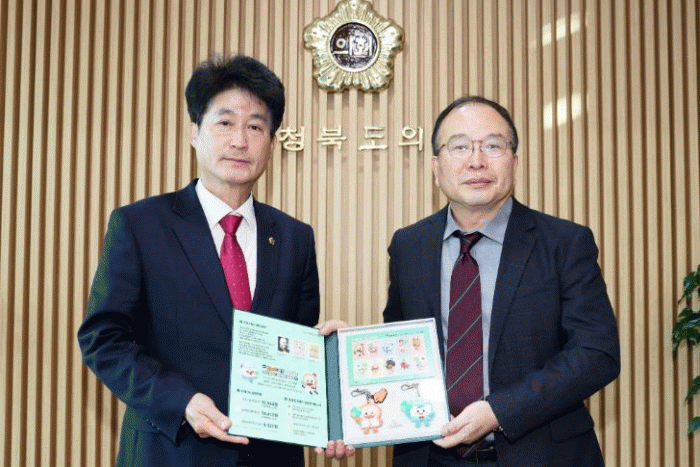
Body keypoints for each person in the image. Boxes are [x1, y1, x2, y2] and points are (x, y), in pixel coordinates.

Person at [320, 96, 620, 466]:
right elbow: (403, 345)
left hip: (541, 455)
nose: (476, 161)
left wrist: (498, 410)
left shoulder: (564, 242)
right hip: (431, 457)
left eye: (493, 146)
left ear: (514, 162)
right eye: (459, 146)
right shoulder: (409, 245)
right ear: (436, 167)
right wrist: (349, 355)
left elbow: (597, 354)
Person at [78, 55, 320, 467]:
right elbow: (104, 338)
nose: (239, 140)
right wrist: (182, 401)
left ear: (272, 143)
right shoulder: (140, 225)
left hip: (271, 456)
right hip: (169, 452)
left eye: (255, 127)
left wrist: (326, 355)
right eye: (225, 123)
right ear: (195, 133)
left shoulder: (296, 237)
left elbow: (295, 346)